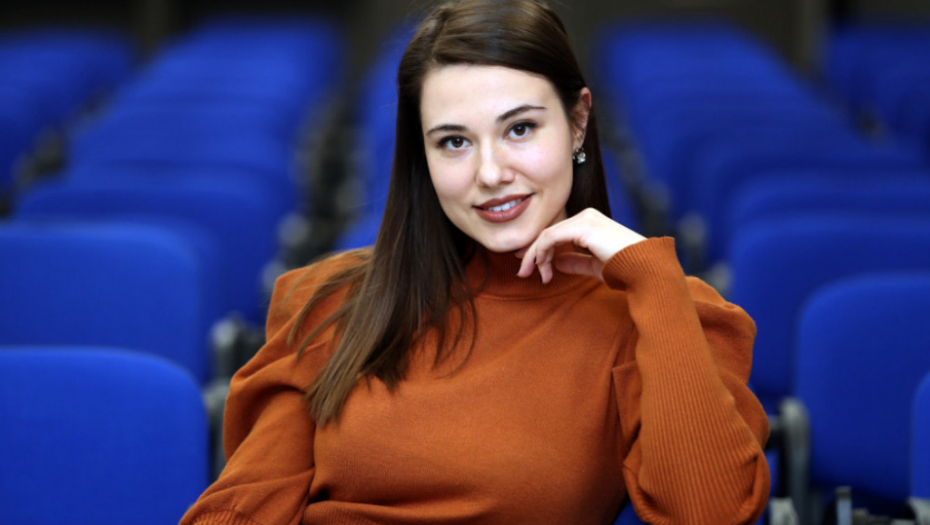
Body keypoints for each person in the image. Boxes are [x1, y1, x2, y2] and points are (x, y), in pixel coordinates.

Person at [179, 0, 771, 524]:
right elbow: (246, 505)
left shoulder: (658, 316)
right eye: (454, 142)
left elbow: (710, 511)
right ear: (423, 155)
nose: (490, 173)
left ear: (578, 122)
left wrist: (651, 279)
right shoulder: (332, 300)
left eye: (520, 129)